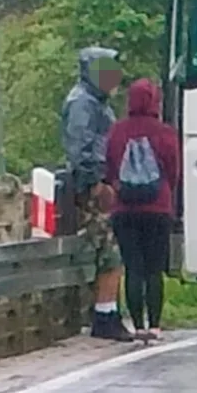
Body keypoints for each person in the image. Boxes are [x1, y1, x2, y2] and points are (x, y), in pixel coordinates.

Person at [60, 46, 132, 341]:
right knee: (109, 252)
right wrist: (95, 182)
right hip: (92, 187)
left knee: (109, 252)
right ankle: (105, 316)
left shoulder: (97, 103)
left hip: (103, 182)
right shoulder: (82, 103)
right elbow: (80, 147)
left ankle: (107, 311)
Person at [105, 78, 181, 342]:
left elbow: (111, 167)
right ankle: (156, 325)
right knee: (154, 269)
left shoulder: (117, 131)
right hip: (158, 208)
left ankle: (137, 325)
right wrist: (164, 191)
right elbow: (173, 170)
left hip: (124, 208)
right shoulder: (165, 132)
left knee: (133, 268)